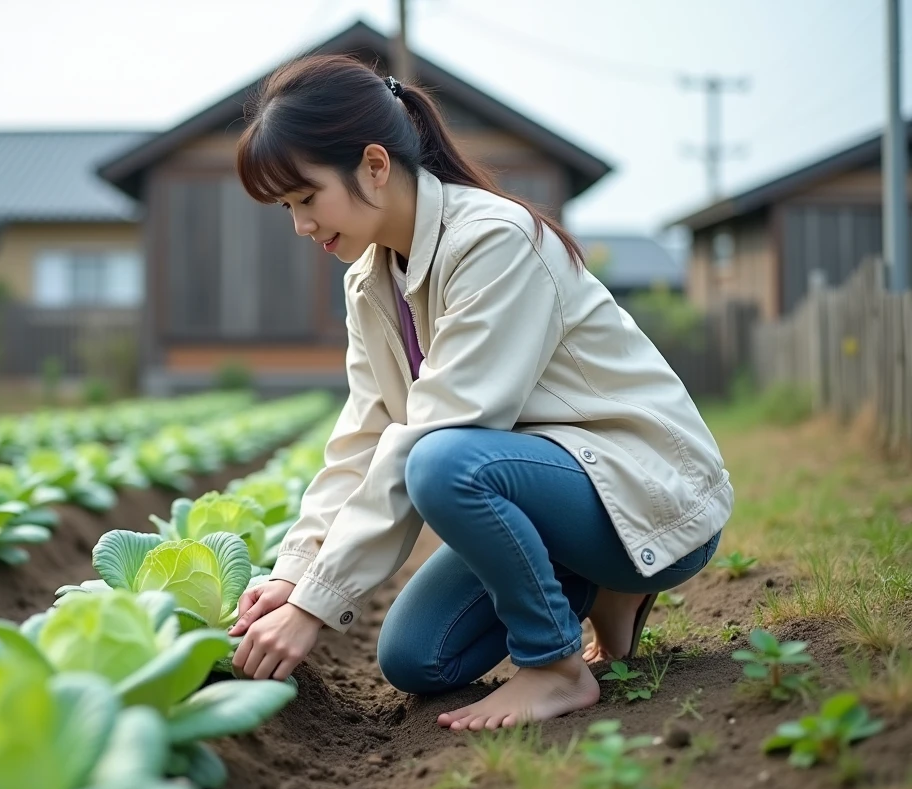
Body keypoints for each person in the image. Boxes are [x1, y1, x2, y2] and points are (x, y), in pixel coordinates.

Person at [226, 54, 733, 732]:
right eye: (287, 208)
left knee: (439, 461)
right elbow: (362, 439)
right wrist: (296, 574)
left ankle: (554, 667)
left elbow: (432, 434)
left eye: (307, 198)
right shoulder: (369, 281)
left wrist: (317, 605)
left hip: (643, 488)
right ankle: (610, 590)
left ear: (374, 165)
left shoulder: (493, 241)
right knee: (416, 658)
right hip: (552, 486)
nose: (302, 226)